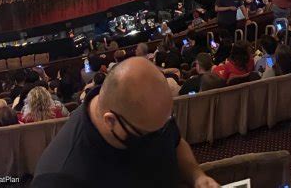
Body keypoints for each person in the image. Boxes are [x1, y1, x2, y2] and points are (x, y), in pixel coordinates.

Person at [32, 57, 219, 188]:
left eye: (166, 123)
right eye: (147, 133)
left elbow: (175, 142)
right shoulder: (59, 177)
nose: (160, 133)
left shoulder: (151, 115)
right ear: (111, 120)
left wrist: (197, 177)